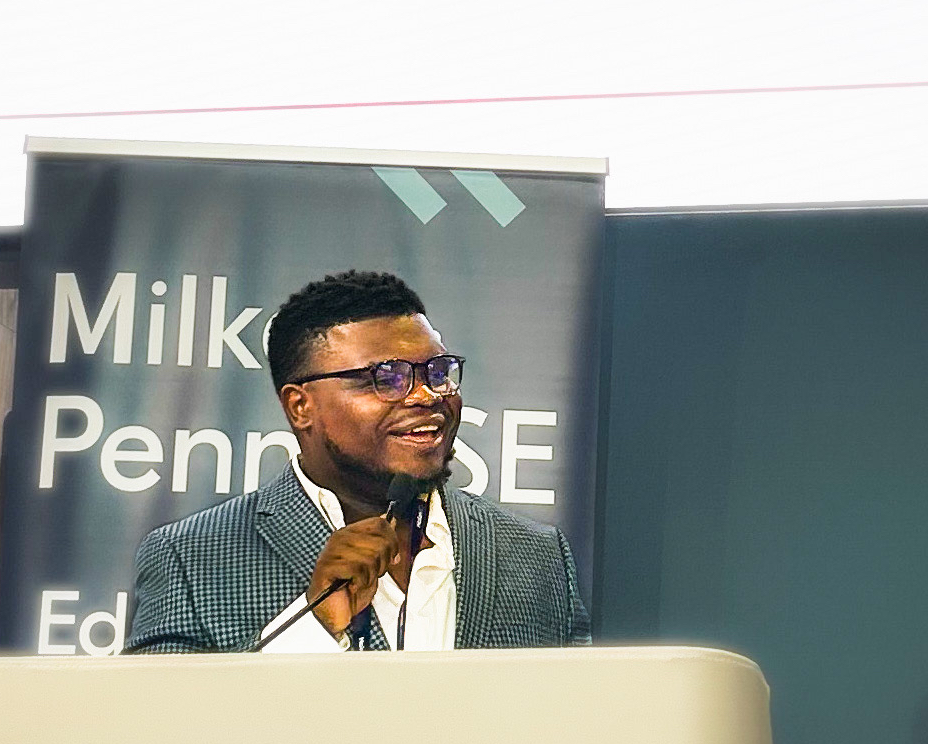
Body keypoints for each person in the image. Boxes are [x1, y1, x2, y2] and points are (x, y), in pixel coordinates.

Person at [124, 270, 589, 653]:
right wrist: (316, 625)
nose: (427, 395)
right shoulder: (191, 559)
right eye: (385, 378)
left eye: (438, 372)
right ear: (300, 406)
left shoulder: (538, 557)